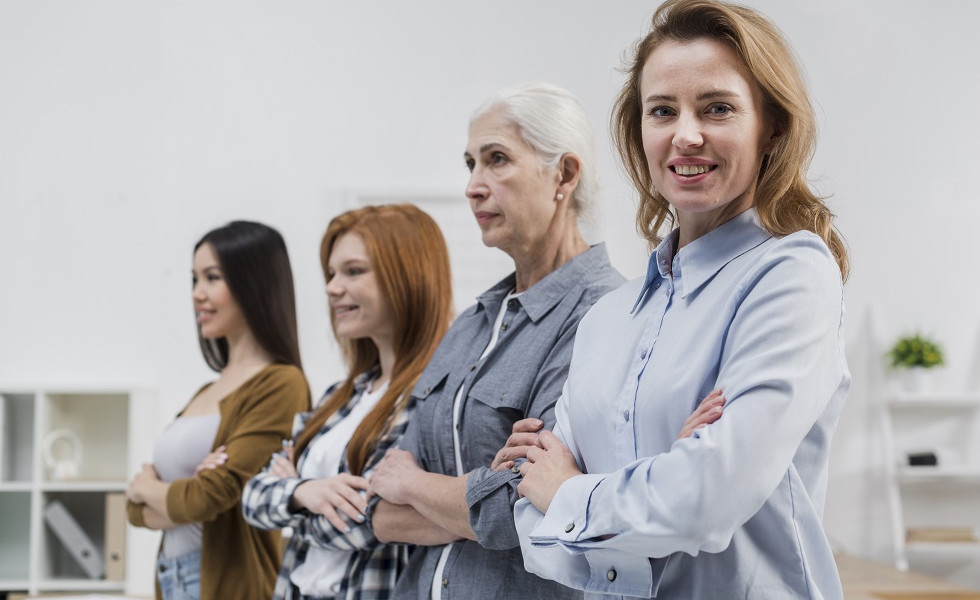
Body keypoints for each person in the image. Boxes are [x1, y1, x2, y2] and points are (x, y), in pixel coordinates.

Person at [511, 1, 851, 598]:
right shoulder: (606, 319)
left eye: (717, 108)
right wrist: (661, 478)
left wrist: (572, 493)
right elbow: (530, 523)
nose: (686, 135)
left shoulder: (790, 273)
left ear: (771, 125)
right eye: (662, 110)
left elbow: (704, 501)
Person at [365, 83, 625, 600]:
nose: (473, 186)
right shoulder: (472, 323)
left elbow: (527, 506)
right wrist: (472, 499)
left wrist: (416, 487)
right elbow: (379, 506)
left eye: (497, 160)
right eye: (470, 164)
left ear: (564, 176)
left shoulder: (605, 313)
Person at [239, 204, 454, 599]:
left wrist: (291, 492)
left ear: (407, 276)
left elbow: (366, 522)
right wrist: (305, 493)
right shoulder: (338, 397)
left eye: (353, 271)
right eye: (332, 273)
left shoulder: (433, 398)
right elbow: (253, 496)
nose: (331, 287)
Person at [126, 221, 311, 600]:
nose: (197, 294)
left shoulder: (281, 383)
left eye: (212, 278)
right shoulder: (205, 390)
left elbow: (212, 496)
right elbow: (133, 508)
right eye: (194, 280)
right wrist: (173, 498)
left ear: (253, 283)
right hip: (171, 579)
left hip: (226, 585)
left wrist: (150, 488)